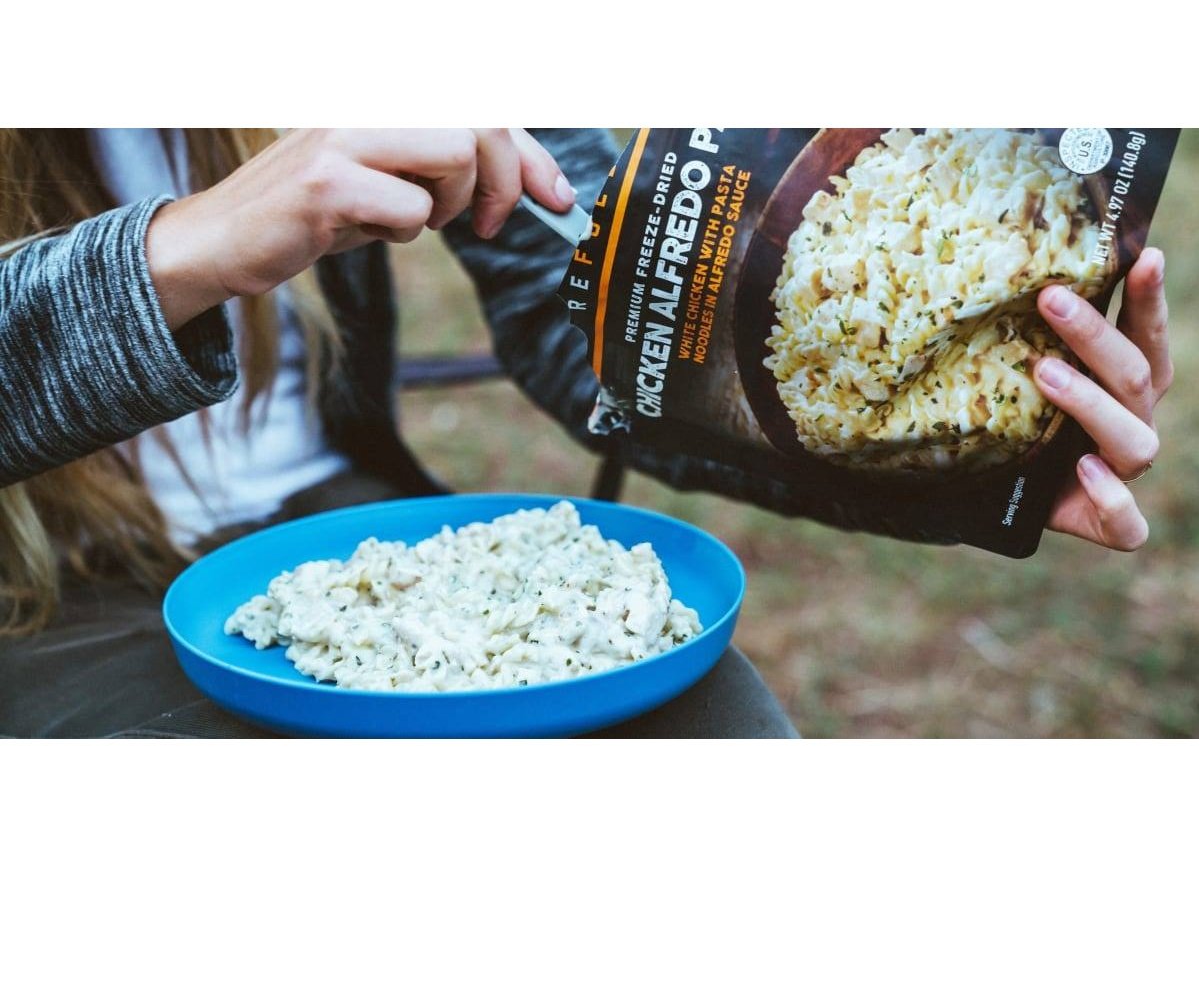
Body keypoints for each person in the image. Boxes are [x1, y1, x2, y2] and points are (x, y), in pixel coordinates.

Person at [0, 129, 1171, 737]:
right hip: (45, 590)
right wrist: (174, 255)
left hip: (341, 533)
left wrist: (965, 439)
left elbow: (600, 326)